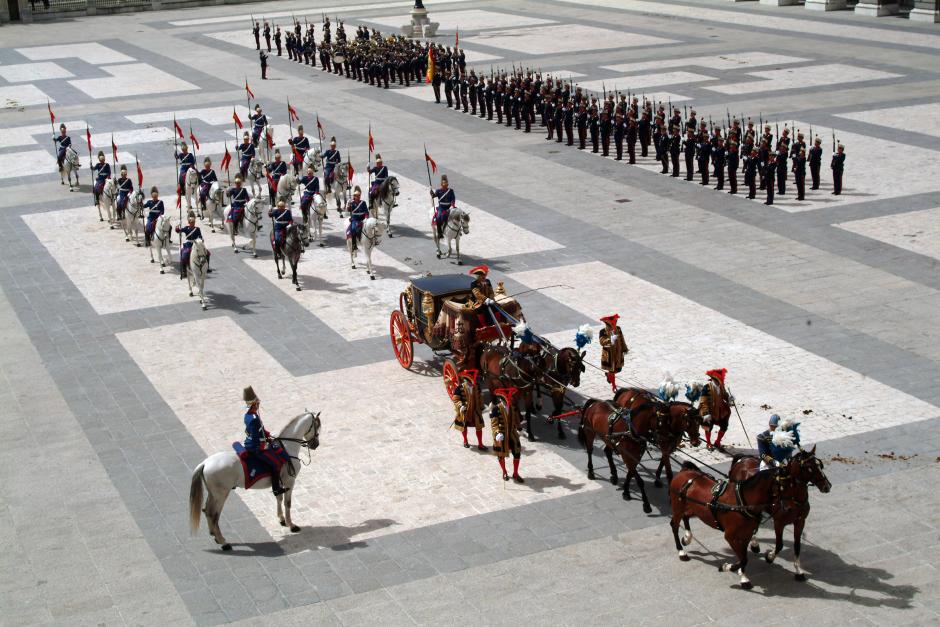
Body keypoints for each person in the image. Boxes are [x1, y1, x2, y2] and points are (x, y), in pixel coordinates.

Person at [241, 386, 285, 496]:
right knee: (276, 464)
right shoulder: (254, 419)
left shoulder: (249, 416)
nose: (258, 405)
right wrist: (263, 447)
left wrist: (269, 435)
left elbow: (260, 429)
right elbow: (256, 438)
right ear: (254, 404)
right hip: (255, 447)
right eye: (257, 404)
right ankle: (276, 489)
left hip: (250, 442)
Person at [491, 387, 524, 483]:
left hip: (513, 434)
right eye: (506, 400)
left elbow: (517, 419)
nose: (508, 402)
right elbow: (494, 424)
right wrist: (497, 433)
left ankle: (515, 473)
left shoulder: (513, 408)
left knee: (517, 453)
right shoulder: (496, 409)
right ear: (501, 399)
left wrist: (519, 428)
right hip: (501, 435)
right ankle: (504, 472)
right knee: (501, 455)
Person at [452, 369, 486, 451]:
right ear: (466, 380)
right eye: (471, 381)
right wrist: (460, 406)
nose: (472, 383)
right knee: (464, 427)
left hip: (475, 411)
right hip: (465, 411)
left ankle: (480, 444)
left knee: (479, 427)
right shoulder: (459, 388)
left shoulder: (477, 386)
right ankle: (465, 441)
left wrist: (481, 407)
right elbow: (456, 399)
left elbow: (480, 397)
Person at [699, 368, 731, 450]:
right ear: (713, 379)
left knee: (724, 426)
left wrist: (729, 398)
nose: (718, 382)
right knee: (708, 427)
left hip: (721, 411)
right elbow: (703, 401)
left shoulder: (721, 386)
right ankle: (708, 443)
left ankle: (717, 442)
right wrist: (706, 413)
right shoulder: (707, 387)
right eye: (717, 380)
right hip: (710, 411)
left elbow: (724, 395)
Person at [599, 314, 628, 393]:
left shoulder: (618, 329)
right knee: (612, 370)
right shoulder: (603, 331)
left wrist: (624, 348)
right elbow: (602, 342)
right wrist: (610, 339)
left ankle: (609, 376)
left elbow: (622, 338)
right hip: (609, 355)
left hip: (618, 353)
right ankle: (614, 385)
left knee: (617, 369)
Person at [175, 211, 207, 279]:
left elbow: (200, 236)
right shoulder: (186, 228)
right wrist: (177, 227)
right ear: (189, 222)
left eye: (193, 222)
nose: (192, 223)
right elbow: (178, 231)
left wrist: (201, 240)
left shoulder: (197, 229)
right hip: (188, 244)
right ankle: (184, 270)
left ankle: (206, 266)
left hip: (196, 244)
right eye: (191, 222)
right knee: (184, 255)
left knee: (207, 253)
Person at [430, 174, 455, 240]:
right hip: (441, 207)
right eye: (444, 182)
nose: (445, 184)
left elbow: (453, 199)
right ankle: (440, 233)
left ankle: (458, 231)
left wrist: (452, 205)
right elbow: (434, 196)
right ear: (441, 183)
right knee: (438, 218)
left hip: (449, 207)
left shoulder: (451, 191)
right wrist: (431, 193)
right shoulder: (438, 191)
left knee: (457, 216)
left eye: (446, 182)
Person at [345, 186, 369, 250]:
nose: (358, 197)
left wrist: (366, 217)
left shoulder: (363, 203)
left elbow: (366, 211)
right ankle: (354, 244)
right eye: (356, 196)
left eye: (359, 195)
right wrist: (348, 205)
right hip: (355, 219)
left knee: (371, 227)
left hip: (362, 218)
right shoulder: (352, 203)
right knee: (353, 229)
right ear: (354, 196)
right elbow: (348, 211)